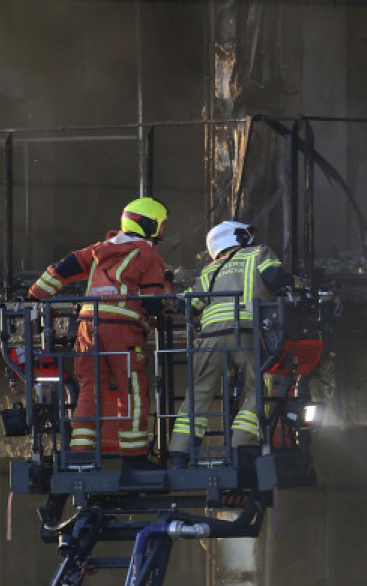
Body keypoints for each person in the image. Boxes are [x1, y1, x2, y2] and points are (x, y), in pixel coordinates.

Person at [27, 197, 172, 469]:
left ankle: (81, 455)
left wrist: (36, 295)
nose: (163, 231)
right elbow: (153, 301)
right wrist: (167, 294)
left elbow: (64, 267)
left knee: (90, 389)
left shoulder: (99, 249)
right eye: (161, 225)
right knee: (132, 391)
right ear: (148, 224)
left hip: (87, 326)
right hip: (124, 329)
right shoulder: (147, 253)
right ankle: (134, 458)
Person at [168, 220, 293, 469]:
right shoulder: (259, 253)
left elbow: (189, 305)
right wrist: (297, 286)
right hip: (246, 335)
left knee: (198, 394)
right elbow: (276, 277)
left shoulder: (209, 270)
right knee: (255, 389)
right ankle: (240, 447)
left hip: (210, 338)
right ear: (237, 237)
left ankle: (180, 456)